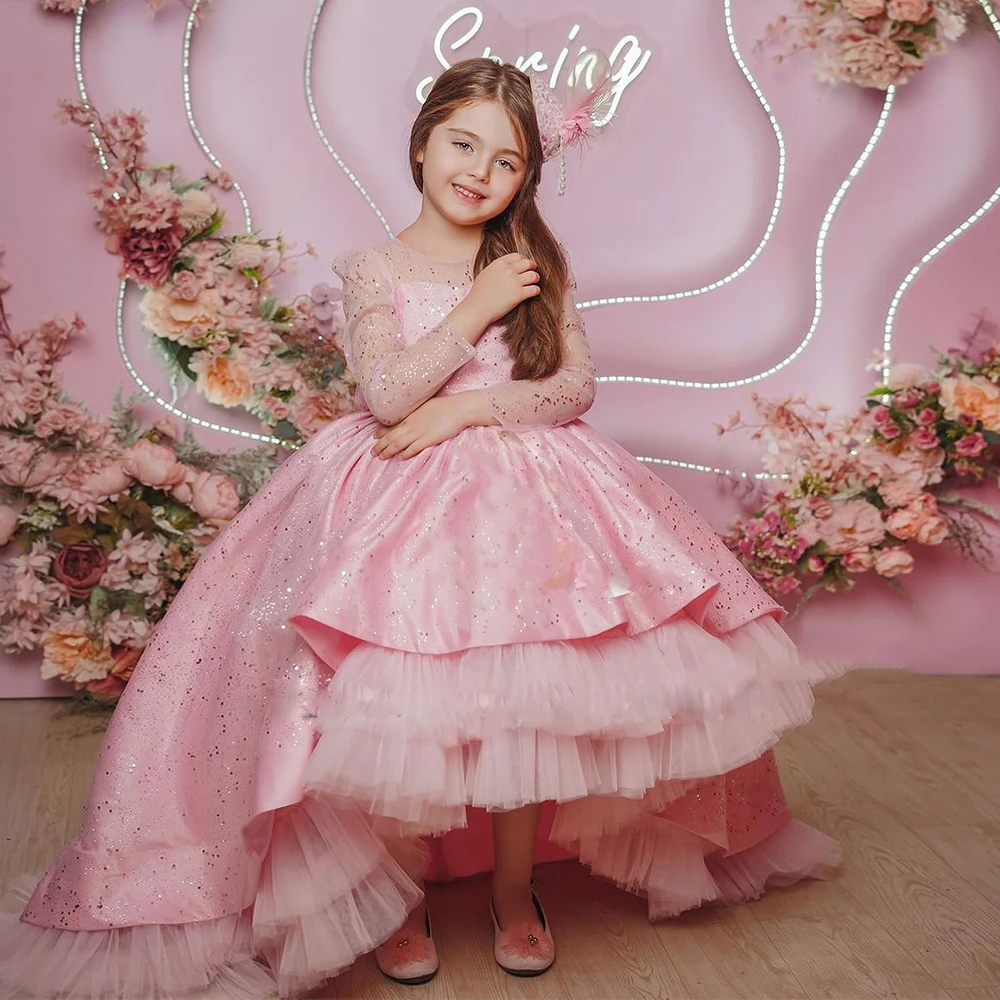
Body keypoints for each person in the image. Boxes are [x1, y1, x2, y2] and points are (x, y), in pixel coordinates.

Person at [0, 57, 843, 999]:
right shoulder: (378, 268)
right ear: (423, 143)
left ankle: (515, 891)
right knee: (400, 715)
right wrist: (474, 316)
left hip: (532, 511)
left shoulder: (535, 267)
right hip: (401, 510)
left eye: (509, 160)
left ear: (527, 179)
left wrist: (469, 411)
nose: (480, 170)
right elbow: (388, 393)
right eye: (463, 143)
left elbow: (572, 387)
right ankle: (394, 896)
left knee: (529, 709)